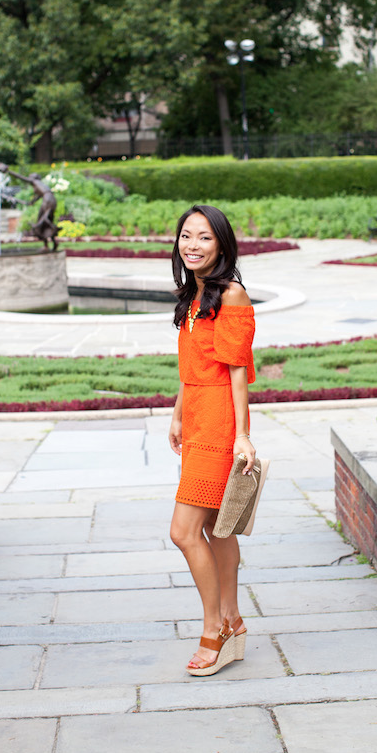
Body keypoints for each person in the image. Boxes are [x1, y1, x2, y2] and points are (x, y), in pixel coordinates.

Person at [169, 204, 256, 676]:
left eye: (204, 237)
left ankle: (214, 630)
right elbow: (191, 368)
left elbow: (237, 370)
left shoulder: (232, 295)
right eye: (187, 236)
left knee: (183, 531)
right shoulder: (193, 294)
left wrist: (242, 435)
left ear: (221, 244)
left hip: (222, 422)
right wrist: (177, 414)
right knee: (215, 528)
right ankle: (235, 620)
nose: (193, 245)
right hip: (197, 417)